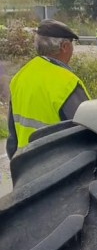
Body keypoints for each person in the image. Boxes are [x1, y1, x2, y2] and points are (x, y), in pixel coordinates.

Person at [7, 19, 91, 159]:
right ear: (64, 46)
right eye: (72, 44)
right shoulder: (66, 83)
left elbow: (12, 138)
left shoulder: (20, 76)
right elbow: (88, 133)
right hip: (58, 170)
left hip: (26, 168)